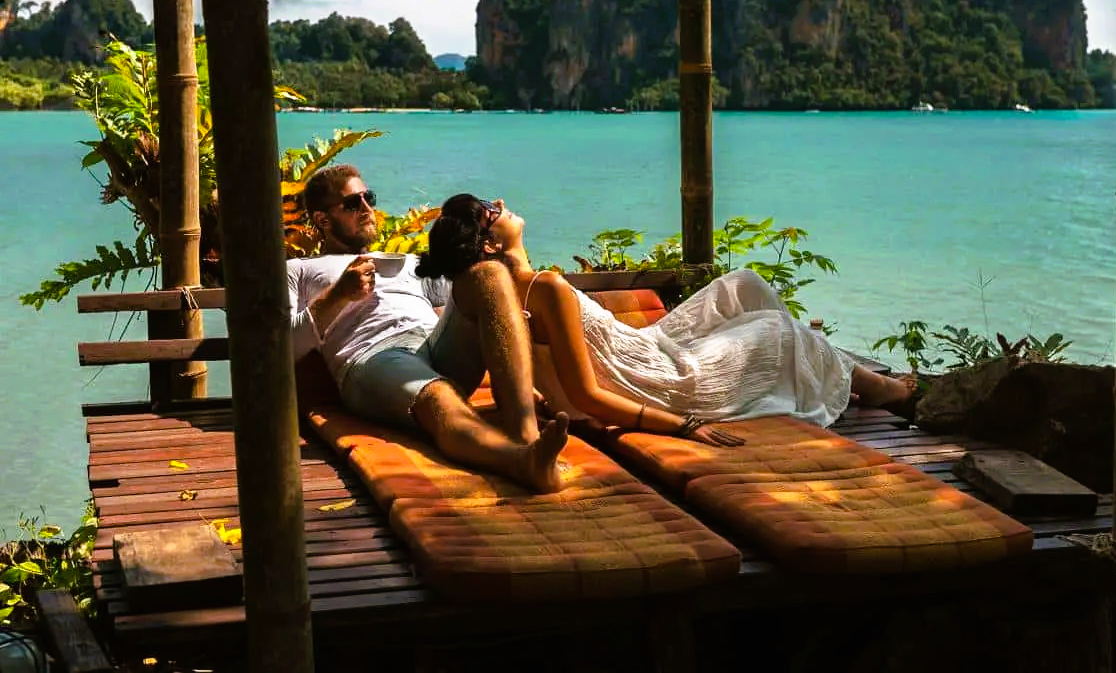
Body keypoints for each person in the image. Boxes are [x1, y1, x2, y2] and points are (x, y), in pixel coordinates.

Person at [415, 193, 915, 446]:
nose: (500, 205)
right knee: (778, 331)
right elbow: (588, 396)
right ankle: (881, 389)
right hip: (655, 379)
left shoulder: (516, 289)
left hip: (641, 346)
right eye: (488, 209)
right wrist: (684, 425)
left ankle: (824, 373)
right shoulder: (542, 289)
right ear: (490, 243)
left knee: (743, 284)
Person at [287, 165, 571, 493]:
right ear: (323, 220)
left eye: (369, 198)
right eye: (353, 204)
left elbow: (481, 298)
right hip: (375, 357)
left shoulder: (406, 262)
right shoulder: (300, 270)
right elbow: (282, 346)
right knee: (437, 393)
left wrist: (492, 228)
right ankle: (520, 462)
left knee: (489, 274)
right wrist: (337, 296)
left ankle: (528, 438)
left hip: (433, 342)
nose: (367, 209)